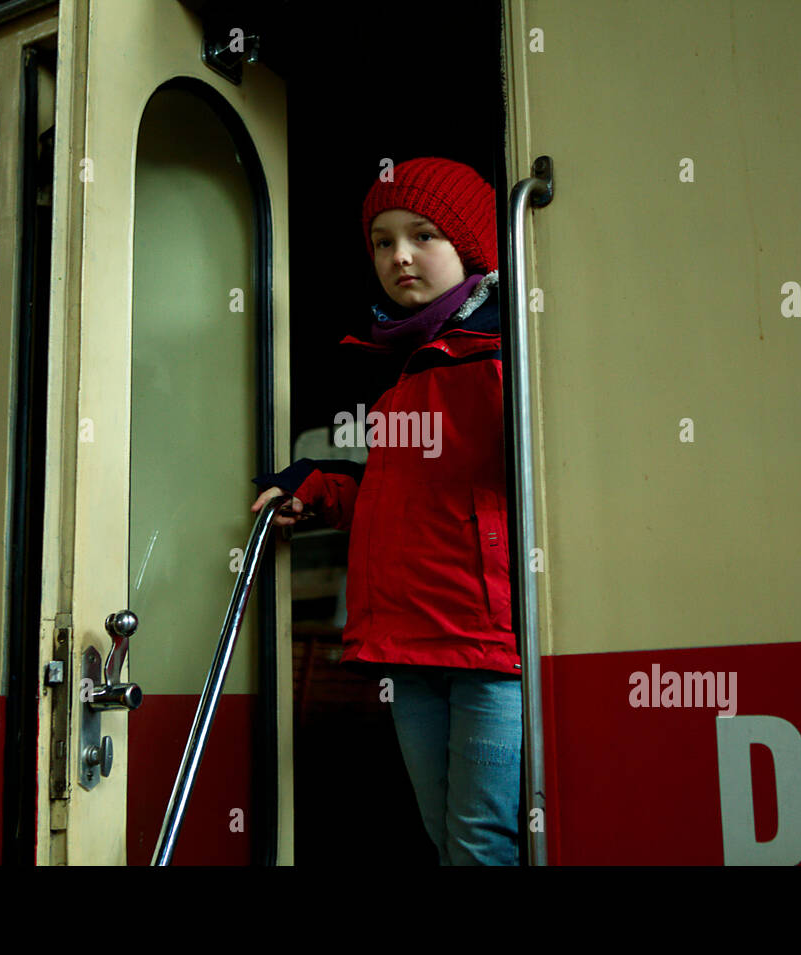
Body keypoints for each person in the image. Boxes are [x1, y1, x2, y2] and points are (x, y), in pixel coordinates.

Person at [250, 156, 522, 865]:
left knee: (478, 842)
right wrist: (315, 488)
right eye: (382, 240)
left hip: (488, 644)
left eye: (423, 234)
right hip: (410, 639)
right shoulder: (406, 370)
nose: (399, 255)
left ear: (470, 247)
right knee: (445, 836)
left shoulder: (509, 351)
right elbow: (403, 497)